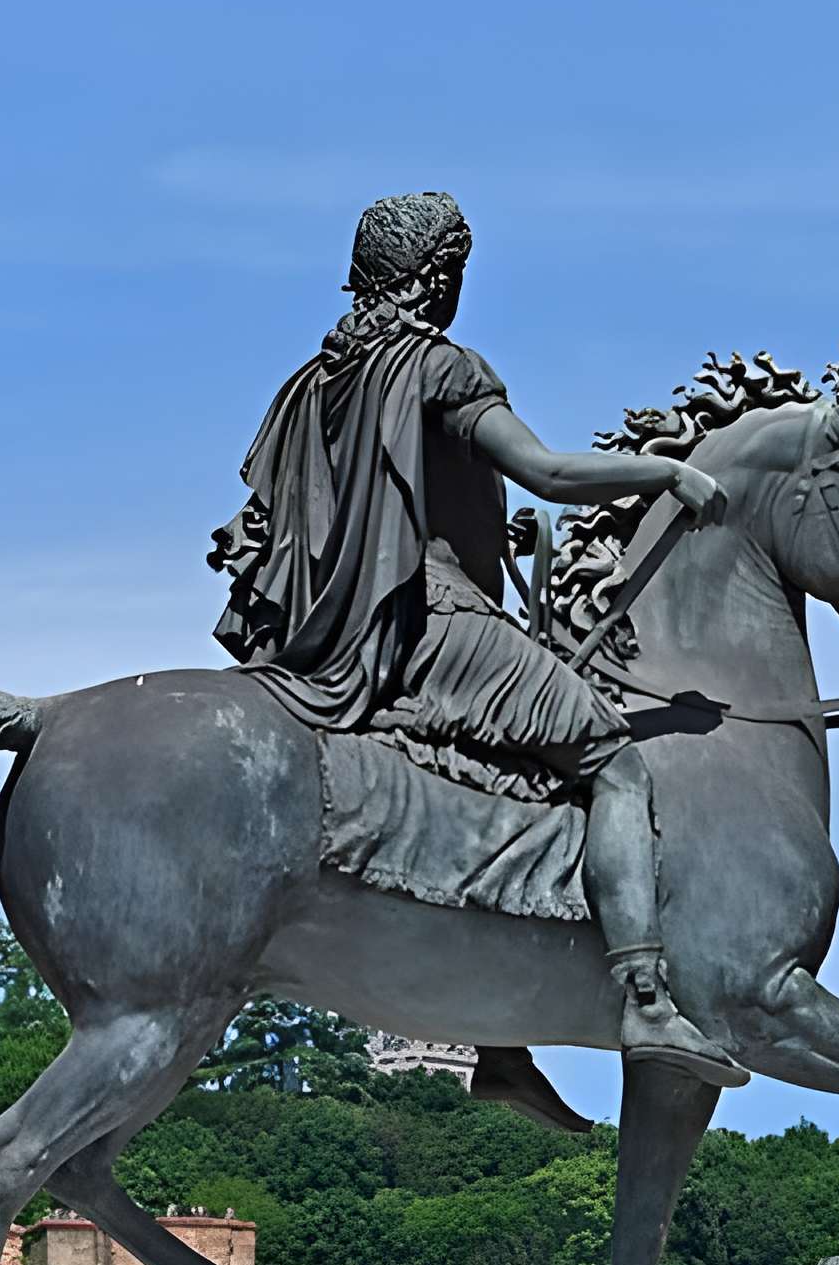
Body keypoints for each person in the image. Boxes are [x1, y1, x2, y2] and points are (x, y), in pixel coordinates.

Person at [208, 190, 743, 1086]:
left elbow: (355, 518)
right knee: (614, 762)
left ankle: (501, 1038)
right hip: (432, 623)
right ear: (435, 277)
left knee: (514, 778)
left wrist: (495, 537)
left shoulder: (317, 380)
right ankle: (647, 1000)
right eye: (456, 272)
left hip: (347, 628)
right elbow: (549, 471)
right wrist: (665, 473)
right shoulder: (438, 367)